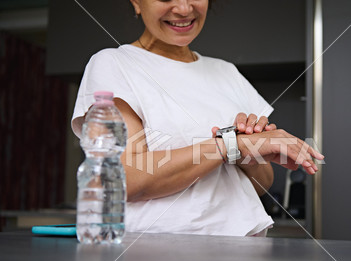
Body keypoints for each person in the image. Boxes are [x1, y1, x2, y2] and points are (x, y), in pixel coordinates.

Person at [71, 0, 324, 237]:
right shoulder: (113, 64)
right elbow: (125, 178)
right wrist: (230, 145)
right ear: (137, 2)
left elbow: (261, 183)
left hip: (244, 249)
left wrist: (247, 147)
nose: (183, 8)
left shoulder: (227, 73)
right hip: (157, 254)